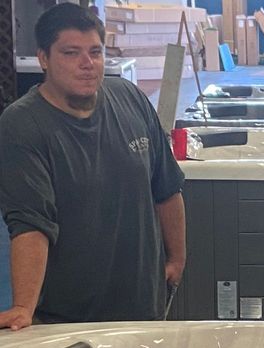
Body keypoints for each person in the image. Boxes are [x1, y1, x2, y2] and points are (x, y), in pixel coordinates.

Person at [0, 3, 186, 330]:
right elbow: (31, 223)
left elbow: (167, 188)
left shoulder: (129, 98)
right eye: (71, 53)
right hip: (69, 320)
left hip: (145, 309)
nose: (87, 64)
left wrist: (177, 259)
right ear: (44, 58)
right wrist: (23, 307)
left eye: (95, 52)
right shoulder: (22, 125)